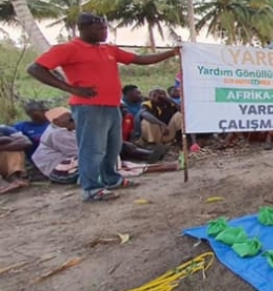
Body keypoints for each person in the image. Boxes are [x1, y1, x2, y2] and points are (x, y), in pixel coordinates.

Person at [27, 13, 179, 201]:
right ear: (83, 28)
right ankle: (91, 189)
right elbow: (35, 69)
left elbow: (139, 59)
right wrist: (70, 88)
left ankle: (111, 179)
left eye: (105, 28)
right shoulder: (68, 49)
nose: (104, 32)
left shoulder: (109, 49)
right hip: (88, 107)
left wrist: (171, 53)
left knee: (112, 147)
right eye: (99, 28)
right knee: (92, 149)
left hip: (112, 106)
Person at [31, 107, 81, 184]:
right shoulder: (59, 133)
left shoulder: (57, 127)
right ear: (56, 121)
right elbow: (78, 153)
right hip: (58, 171)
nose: (74, 122)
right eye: (70, 120)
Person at [0, 125, 32, 194]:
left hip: (4, 164)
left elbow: (25, 142)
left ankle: (15, 179)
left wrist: (2, 147)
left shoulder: (4, 129)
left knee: (15, 150)